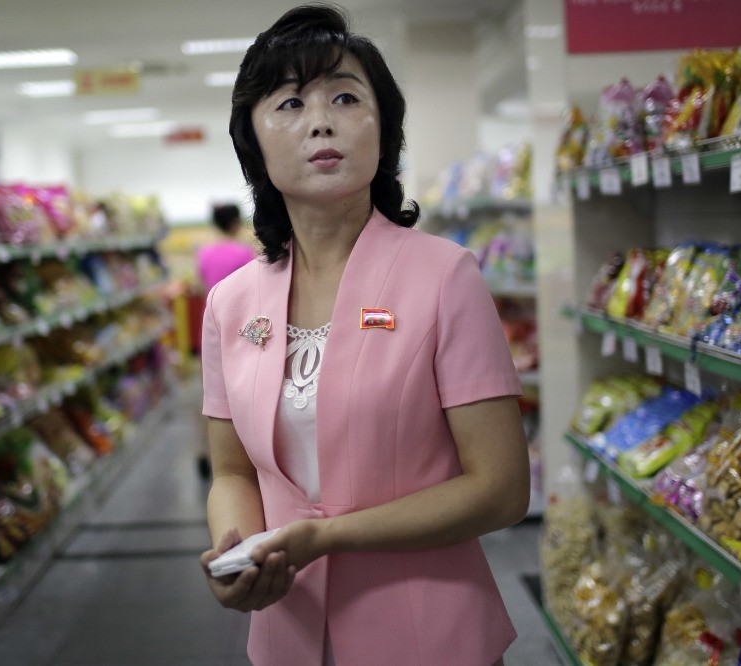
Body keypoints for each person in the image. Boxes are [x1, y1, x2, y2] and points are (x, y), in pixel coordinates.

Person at [198, 5, 530, 665]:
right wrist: (238, 554)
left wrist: (326, 537)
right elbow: (232, 469)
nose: (320, 119)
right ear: (253, 144)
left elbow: (500, 488)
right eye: (288, 103)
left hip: (430, 635)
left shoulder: (443, 276)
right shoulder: (231, 303)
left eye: (345, 97)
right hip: (288, 634)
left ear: (385, 131)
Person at [194, 203, 256, 478]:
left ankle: (203, 452)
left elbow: (200, 287)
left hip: (210, 330)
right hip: (242, 331)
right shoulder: (244, 253)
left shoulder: (204, 253)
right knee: (242, 396)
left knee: (212, 398)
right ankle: (245, 458)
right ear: (234, 223)